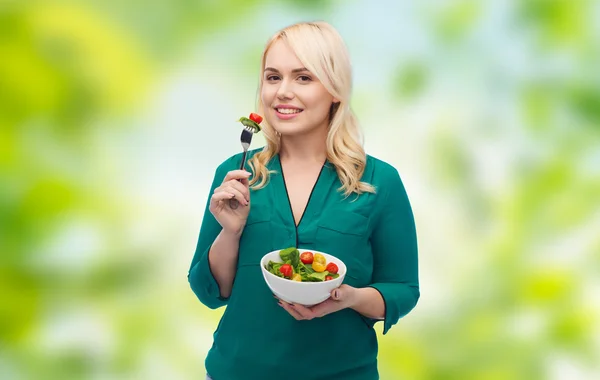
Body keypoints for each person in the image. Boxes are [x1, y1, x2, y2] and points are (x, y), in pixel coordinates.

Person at [188, 21, 419, 380]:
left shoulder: (378, 181)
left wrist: (350, 298)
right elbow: (211, 290)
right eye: (272, 77)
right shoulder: (235, 174)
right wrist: (230, 233)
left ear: (335, 90)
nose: (283, 92)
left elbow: (402, 289)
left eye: (303, 78)